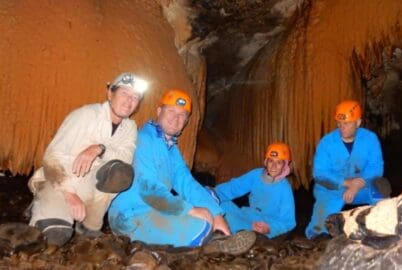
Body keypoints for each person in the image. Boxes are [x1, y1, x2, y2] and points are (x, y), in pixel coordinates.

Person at [108, 89, 256, 255]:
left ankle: (213, 240)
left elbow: (188, 184)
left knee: (208, 211)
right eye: (171, 111)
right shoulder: (144, 139)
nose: (176, 118)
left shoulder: (171, 148)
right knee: (200, 224)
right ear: (159, 112)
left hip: (152, 210)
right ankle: (211, 245)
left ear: (186, 121)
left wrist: (216, 215)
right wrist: (190, 210)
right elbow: (149, 190)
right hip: (129, 215)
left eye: (182, 115)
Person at [28, 72, 148, 246]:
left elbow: (126, 157)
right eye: (124, 93)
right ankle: (41, 206)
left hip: (90, 186)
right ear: (110, 94)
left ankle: (90, 224)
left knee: (121, 172)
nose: (129, 101)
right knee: (55, 236)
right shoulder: (86, 115)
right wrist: (70, 194)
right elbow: (53, 156)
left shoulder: (129, 128)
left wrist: (99, 148)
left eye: (135, 97)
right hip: (60, 182)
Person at [305, 100, 391, 239]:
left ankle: (385, 224)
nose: (341, 127)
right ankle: (318, 236)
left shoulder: (369, 139)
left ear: (357, 123)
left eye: (346, 123)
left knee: (381, 186)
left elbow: (376, 167)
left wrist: (358, 183)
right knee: (319, 229)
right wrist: (346, 183)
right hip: (332, 189)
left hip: (363, 187)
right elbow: (320, 173)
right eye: (339, 123)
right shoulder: (327, 142)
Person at [209, 143, 296, 239]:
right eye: (271, 161)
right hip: (248, 216)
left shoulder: (284, 189)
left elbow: (288, 222)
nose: (274, 166)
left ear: (285, 165)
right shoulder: (256, 175)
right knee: (220, 204)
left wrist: (269, 228)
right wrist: (210, 193)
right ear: (266, 162)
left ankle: (237, 235)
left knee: (231, 221)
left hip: (265, 226)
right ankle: (233, 233)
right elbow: (234, 187)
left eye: (279, 162)